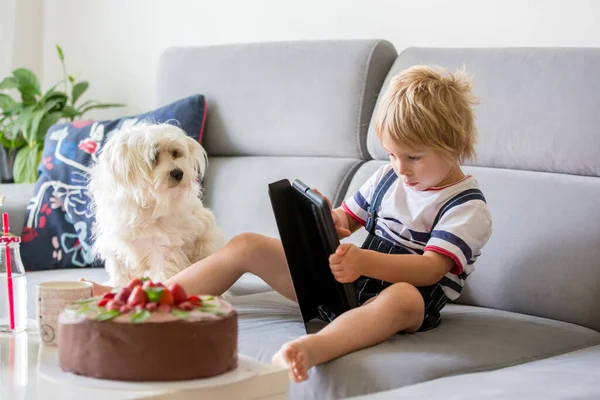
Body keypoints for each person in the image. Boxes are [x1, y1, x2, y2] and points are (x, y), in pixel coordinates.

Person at [85, 65, 492, 383]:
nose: (400, 168)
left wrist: (363, 262)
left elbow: (430, 269)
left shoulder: (466, 206)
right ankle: (146, 302)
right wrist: (328, 220)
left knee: (403, 297)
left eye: (413, 158)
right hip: (348, 279)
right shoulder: (390, 175)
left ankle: (312, 349)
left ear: (454, 145)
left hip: (406, 298)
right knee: (246, 244)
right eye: (391, 156)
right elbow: (349, 219)